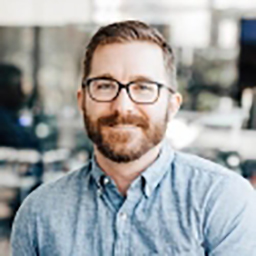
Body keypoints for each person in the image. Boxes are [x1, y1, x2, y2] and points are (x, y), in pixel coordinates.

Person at [11, 21, 256, 255]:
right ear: (82, 100)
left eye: (144, 87)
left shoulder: (223, 200)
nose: (123, 107)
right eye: (105, 85)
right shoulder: (39, 214)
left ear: (172, 105)